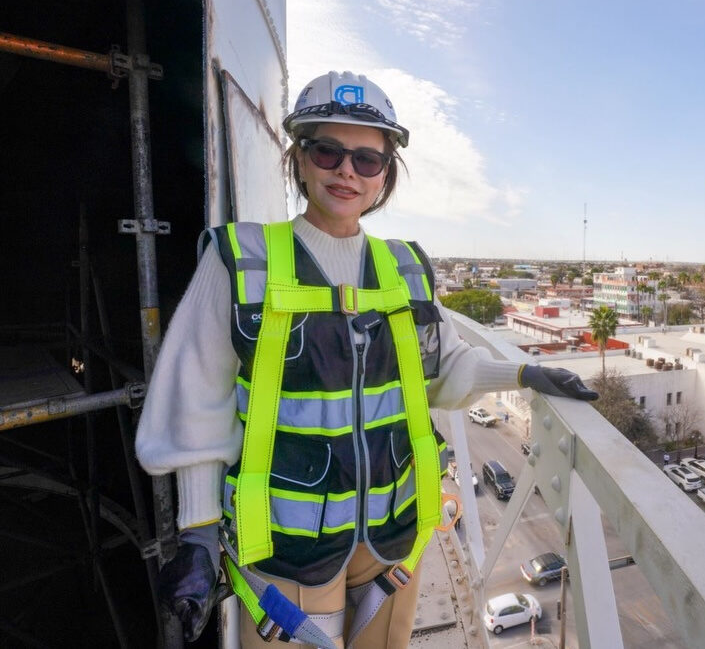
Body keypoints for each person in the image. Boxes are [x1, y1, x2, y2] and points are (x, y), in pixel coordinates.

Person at [135, 71, 597, 648]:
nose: (346, 171)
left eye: (366, 159)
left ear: (386, 175)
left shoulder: (404, 268)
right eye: (326, 151)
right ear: (298, 159)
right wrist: (199, 533)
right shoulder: (241, 260)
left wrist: (524, 372)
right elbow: (195, 404)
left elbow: (445, 369)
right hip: (287, 548)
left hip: (393, 538)